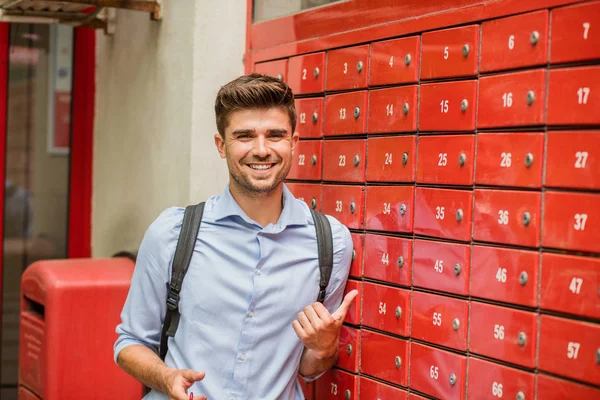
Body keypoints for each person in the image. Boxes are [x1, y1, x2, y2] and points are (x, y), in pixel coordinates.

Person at [113, 74, 356, 400]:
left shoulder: (331, 244)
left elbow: (309, 368)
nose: (261, 149)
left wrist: (326, 347)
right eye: (244, 136)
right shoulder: (174, 234)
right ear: (221, 145)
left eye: (275, 135)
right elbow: (129, 342)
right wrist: (167, 377)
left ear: (294, 143)